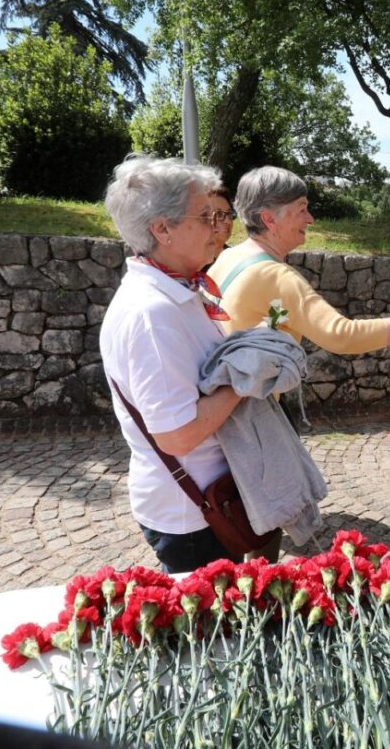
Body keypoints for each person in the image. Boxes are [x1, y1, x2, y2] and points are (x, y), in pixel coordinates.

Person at [99, 155, 257, 572]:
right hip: (193, 516)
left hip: (207, 501)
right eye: (206, 216)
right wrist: (244, 378)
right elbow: (177, 435)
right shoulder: (153, 312)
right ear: (162, 229)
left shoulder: (174, 292)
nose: (220, 227)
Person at [208, 166, 390, 410]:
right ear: (269, 219)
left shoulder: (229, 258)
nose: (310, 219)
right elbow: (342, 335)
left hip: (223, 405)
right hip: (249, 415)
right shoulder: (276, 276)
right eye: (302, 209)